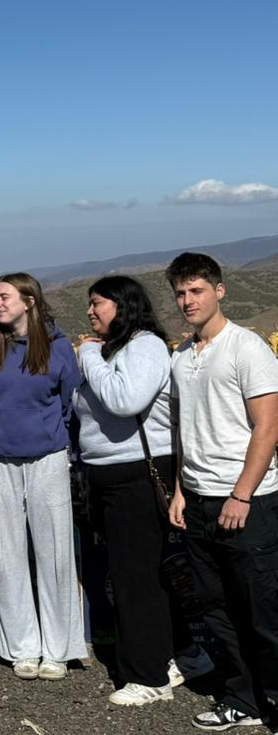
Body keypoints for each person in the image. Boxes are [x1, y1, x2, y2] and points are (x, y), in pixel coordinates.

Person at [75, 274, 202, 707]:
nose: (90, 311)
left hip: (137, 478)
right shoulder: (115, 350)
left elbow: (125, 399)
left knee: (136, 579)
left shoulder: (144, 346)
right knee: (146, 573)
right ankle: (184, 656)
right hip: (112, 478)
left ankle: (149, 677)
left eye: (98, 303)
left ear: (123, 305)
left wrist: (88, 356)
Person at [166, 252, 278, 731]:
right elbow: (184, 431)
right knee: (217, 609)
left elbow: (268, 427)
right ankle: (244, 699)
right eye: (180, 293)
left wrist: (242, 494)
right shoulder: (181, 356)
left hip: (247, 501)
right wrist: (179, 490)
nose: (188, 300)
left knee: (263, 610)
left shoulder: (246, 348)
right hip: (198, 499)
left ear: (219, 290)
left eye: (197, 290)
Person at [0, 273, 85, 681]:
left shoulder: (58, 347)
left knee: (55, 553)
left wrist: (63, 446)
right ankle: (21, 646)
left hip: (48, 457)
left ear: (29, 300)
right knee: (5, 555)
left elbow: (71, 403)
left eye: (4, 297)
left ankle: (58, 648)